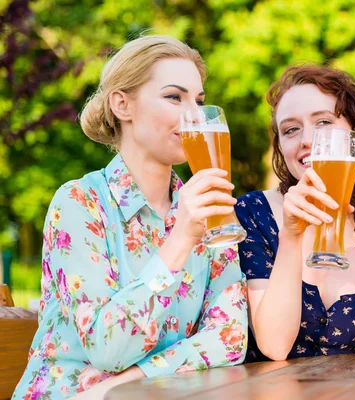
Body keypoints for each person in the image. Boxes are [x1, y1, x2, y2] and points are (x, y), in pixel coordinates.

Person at [13, 35, 247, 399]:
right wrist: (181, 238)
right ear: (123, 105)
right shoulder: (78, 203)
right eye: (175, 97)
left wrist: (132, 378)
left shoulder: (208, 209)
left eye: (199, 101)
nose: (196, 115)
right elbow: (108, 349)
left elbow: (230, 338)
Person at [234, 64, 355, 362]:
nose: (306, 139)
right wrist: (291, 235)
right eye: (291, 129)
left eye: (323, 122)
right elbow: (274, 346)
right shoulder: (253, 213)